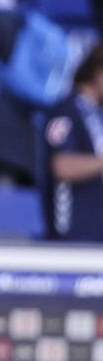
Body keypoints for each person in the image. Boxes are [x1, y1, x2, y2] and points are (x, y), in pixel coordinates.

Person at [46, 45, 103, 242]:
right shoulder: (67, 109)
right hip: (73, 233)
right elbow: (62, 166)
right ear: (98, 71)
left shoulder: (96, 113)